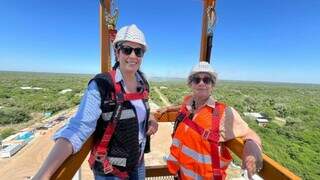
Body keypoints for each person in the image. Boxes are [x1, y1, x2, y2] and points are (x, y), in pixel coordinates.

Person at [33, 24, 158, 180]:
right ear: (117, 52)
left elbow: (141, 110)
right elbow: (78, 129)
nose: (133, 56)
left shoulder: (143, 84)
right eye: (127, 49)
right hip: (111, 171)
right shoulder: (101, 85)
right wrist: (43, 175)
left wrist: (151, 119)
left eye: (138, 51)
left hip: (137, 162)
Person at [167, 61, 263, 180]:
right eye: (197, 79)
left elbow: (250, 134)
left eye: (206, 80)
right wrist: (166, 108)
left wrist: (252, 150)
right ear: (191, 84)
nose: (201, 83)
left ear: (212, 85)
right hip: (180, 175)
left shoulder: (223, 113)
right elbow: (182, 108)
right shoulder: (187, 104)